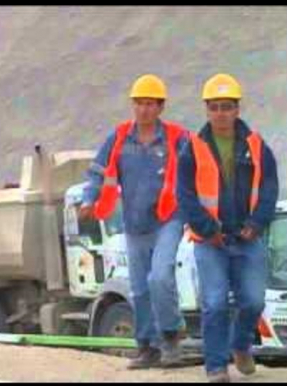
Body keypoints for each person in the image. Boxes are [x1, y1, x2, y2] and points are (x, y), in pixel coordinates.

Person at [80, 74, 189, 369]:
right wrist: (89, 200)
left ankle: (170, 338)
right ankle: (146, 347)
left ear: (161, 107)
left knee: (160, 278)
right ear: (133, 105)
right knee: (139, 288)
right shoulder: (118, 138)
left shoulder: (178, 138)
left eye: (150, 104)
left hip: (168, 219)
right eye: (139, 103)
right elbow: (96, 172)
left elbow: (197, 173)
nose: (144, 110)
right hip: (134, 223)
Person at [176, 73, 280, 382]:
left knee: (253, 301)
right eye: (215, 107)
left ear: (237, 109)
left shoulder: (257, 146)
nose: (221, 113)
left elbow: (270, 188)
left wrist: (257, 223)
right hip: (210, 241)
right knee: (215, 303)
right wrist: (209, 229)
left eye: (227, 107)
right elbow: (185, 196)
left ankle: (241, 345)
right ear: (207, 110)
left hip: (248, 238)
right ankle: (217, 367)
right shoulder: (191, 149)